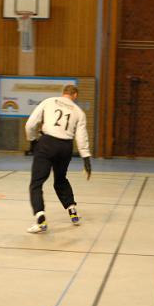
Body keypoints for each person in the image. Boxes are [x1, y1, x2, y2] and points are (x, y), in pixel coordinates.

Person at [24, 84, 91, 233]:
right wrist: (86, 159)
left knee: (36, 183)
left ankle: (40, 219)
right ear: (75, 96)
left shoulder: (49, 101)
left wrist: (33, 141)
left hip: (47, 143)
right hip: (65, 147)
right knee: (60, 179)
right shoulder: (79, 112)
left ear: (63, 93)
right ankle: (72, 210)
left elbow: (30, 124)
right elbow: (81, 137)